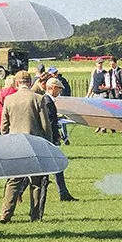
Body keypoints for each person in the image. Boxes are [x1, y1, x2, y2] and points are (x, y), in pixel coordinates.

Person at [0, 67, 42, 222]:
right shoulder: (38, 99)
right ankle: (35, 215)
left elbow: (3, 126)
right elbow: (45, 125)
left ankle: (5, 214)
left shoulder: (9, 100)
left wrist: (7, 139)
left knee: (14, 181)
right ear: (29, 83)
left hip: (15, 144)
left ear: (17, 83)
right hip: (34, 144)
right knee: (36, 182)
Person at [39, 67, 73, 201]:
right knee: (55, 166)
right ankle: (63, 193)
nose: (59, 92)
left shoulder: (47, 100)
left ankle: (63, 193)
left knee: (55, 166)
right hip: (50, 139)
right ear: (52, 88)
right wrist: (56, 136)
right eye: (58, 89)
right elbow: (49, 122)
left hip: (50, 138)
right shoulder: (47, 101)